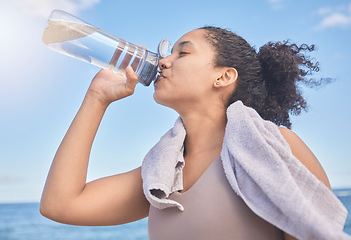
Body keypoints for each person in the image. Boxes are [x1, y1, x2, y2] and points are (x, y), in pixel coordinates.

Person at [40, 26, 335, 239]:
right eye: (169, 53)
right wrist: (97, 98)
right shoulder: (160, 176)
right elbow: (61, 205)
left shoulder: (277, 147)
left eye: (182, 53)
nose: (164, 61)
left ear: (223, 76)